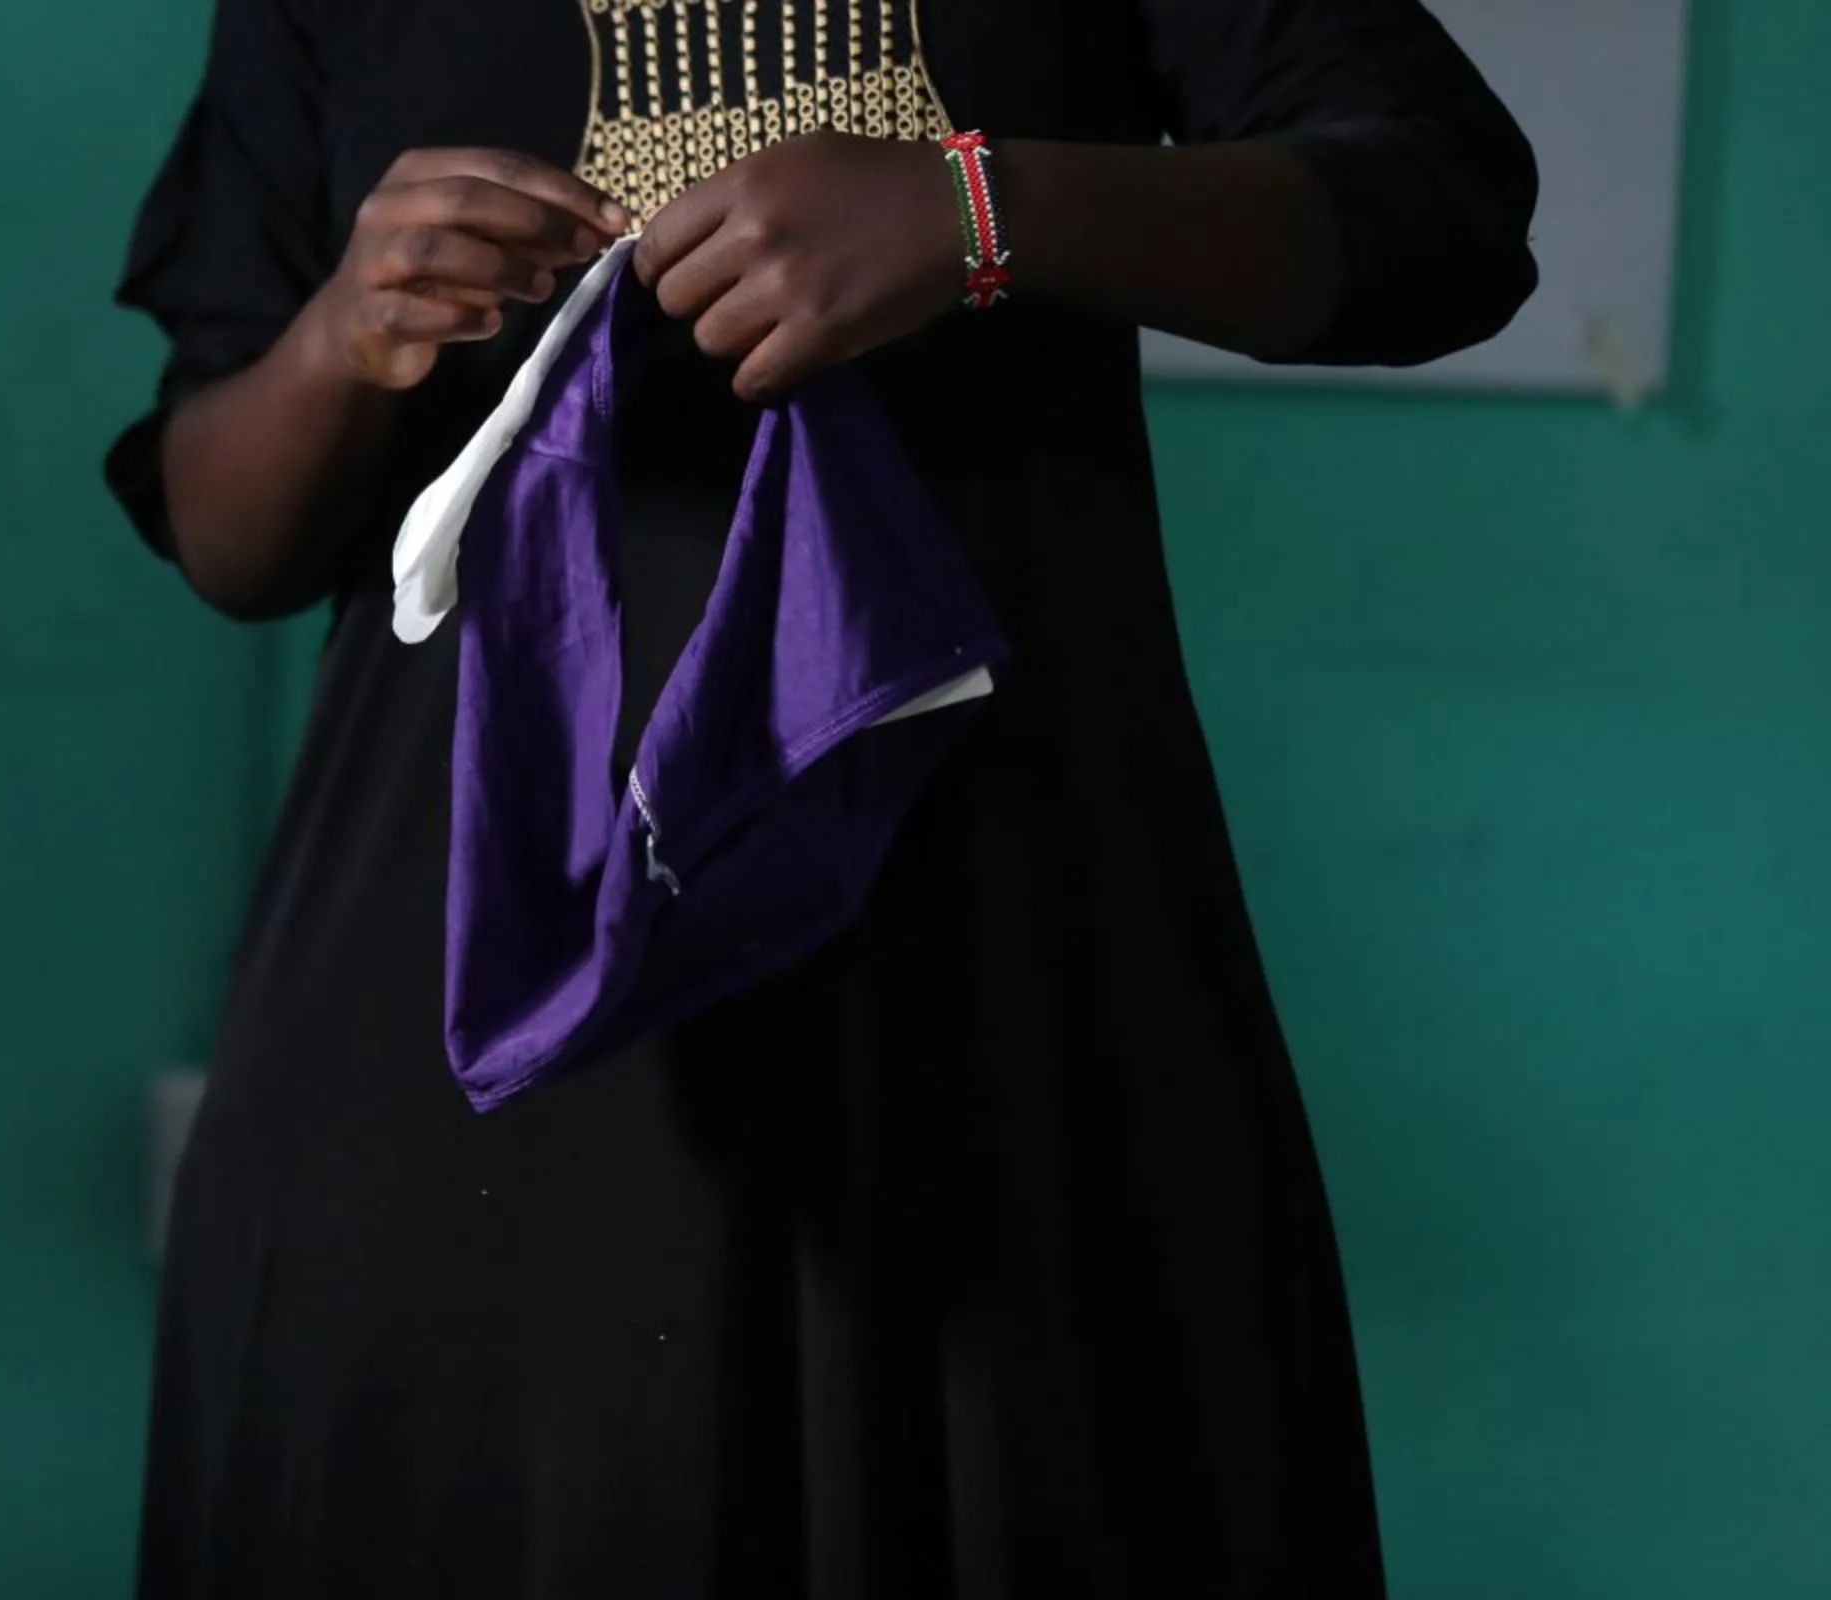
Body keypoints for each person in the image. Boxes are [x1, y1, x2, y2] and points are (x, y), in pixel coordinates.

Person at [102, 1, 1536, 1594]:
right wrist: (340, 341)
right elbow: (230, 534)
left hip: (992, 1006)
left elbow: (1447, 208)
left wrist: (979, 210)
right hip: (464, 1031)